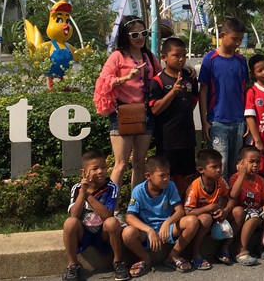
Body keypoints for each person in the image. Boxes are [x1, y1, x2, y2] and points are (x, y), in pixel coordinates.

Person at [93, 15, 161, 192]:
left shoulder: (149, 56)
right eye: (134, 34)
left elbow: (160, 75)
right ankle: (111, 208)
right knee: (121, 164)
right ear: (125, 35)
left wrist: (184, 69)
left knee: (139, 163)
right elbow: (103, 81)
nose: (140, 38)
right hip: (122, 113)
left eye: (143, 33)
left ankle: (134, 205)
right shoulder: (117, 56)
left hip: (145, 113)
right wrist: (125, 78)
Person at [122, 156, 199, 277]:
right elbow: (129, 217)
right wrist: (149, 230)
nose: (166, 179)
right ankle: (145, 259)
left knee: (192, 221)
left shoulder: (170, 186)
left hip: (166, 228)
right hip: (146, 231)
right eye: (162, 175)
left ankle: (173, 255)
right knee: (127, 233)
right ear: (148, 176)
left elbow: (180, 211)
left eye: (168, 175)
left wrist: (167, 222)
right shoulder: (138, 190)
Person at [62, 151, 128, 281]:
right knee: (69, 223)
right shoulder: (76, 188)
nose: (100, 171)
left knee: (112, 222)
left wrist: (88, 196)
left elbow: (107, 214)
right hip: (84, 232)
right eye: (95, 169)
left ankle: (118, 262)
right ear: (83, 172)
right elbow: (74, 215)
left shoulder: (111, 187)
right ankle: (72, 265)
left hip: (102, 232)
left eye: (103, 167)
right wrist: (82, 193)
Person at [199, 17, 249, 179]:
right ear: (222, 35)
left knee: (236, 166)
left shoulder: (241, 61)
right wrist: (204, 121)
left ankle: (232, 202)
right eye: (234, 39)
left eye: (240, 40)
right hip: (217, 121)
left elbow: (246, 90)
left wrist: (248, 118)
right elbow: (203, 91)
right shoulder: (210, 59)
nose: (237, 43)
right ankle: (219, 201)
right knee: (219, 167)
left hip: (239, 121)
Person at [148, 37, 198, 199]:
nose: (181, 59)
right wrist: (173, 92)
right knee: (165, 176)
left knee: (183, 176)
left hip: (186, 137)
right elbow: (155, 109)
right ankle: (164, 207)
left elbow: (193, 101)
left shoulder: (189, 77)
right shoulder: (158, 81)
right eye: (176, 55)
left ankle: (179, 206)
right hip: (167, 139)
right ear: (164, 57)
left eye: (184, 55)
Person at [184, 149, 237, 269]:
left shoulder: (220, 181)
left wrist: (225, 211)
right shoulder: (195, 187)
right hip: (202, 221)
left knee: (238, 212)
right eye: (214, 167)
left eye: (220, 165)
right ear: (201, 170)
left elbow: (231, 198)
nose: (219, 169)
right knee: (206, 218)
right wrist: (210, 207)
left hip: (218, 216)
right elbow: (188, 212)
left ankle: (224, 249)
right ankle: (195, 253)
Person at [229, 145, 264, 266]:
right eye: (251, 162)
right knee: (254, 216)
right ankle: (241, 250)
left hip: (256, 209)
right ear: (241, 163)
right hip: (242, 211)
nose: (255, 165)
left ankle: (262, 245)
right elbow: (233, 195)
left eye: (258, 162)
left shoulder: (260, 180)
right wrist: (242, 174)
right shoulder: (235, 178)